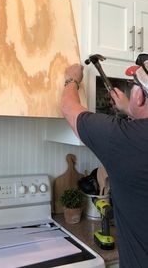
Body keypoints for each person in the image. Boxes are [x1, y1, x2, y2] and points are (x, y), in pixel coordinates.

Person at [61, 54, 148, 268]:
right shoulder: (130, 138)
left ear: (140, 97)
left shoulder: (121, 139)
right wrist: (130, 109)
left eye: (133, 85)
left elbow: (69, 108)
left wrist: (72, 80)